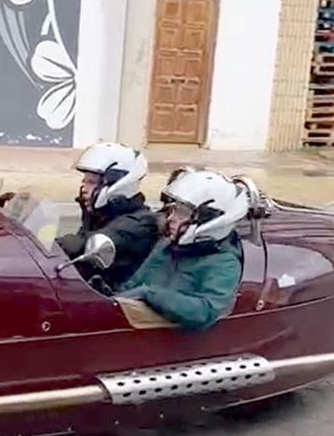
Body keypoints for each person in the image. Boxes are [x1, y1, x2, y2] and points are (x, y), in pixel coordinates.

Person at [115, 169, 250, 332]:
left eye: (182, 213)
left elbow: (205, 311)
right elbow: (133, 284)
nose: (170, 218)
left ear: (210, 220)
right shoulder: (168, 247)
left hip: (173, 345)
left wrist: (150, 295)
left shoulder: (224, 263)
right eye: (173, 210)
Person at [54, 142, 161, 290]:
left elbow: (80, 244)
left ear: (120, 184)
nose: (84, 189)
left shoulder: (140, 224)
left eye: (91, 182)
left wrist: (45, 245)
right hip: (91, 291)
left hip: (117, 301)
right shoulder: (102, 214)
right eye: (84, 181)